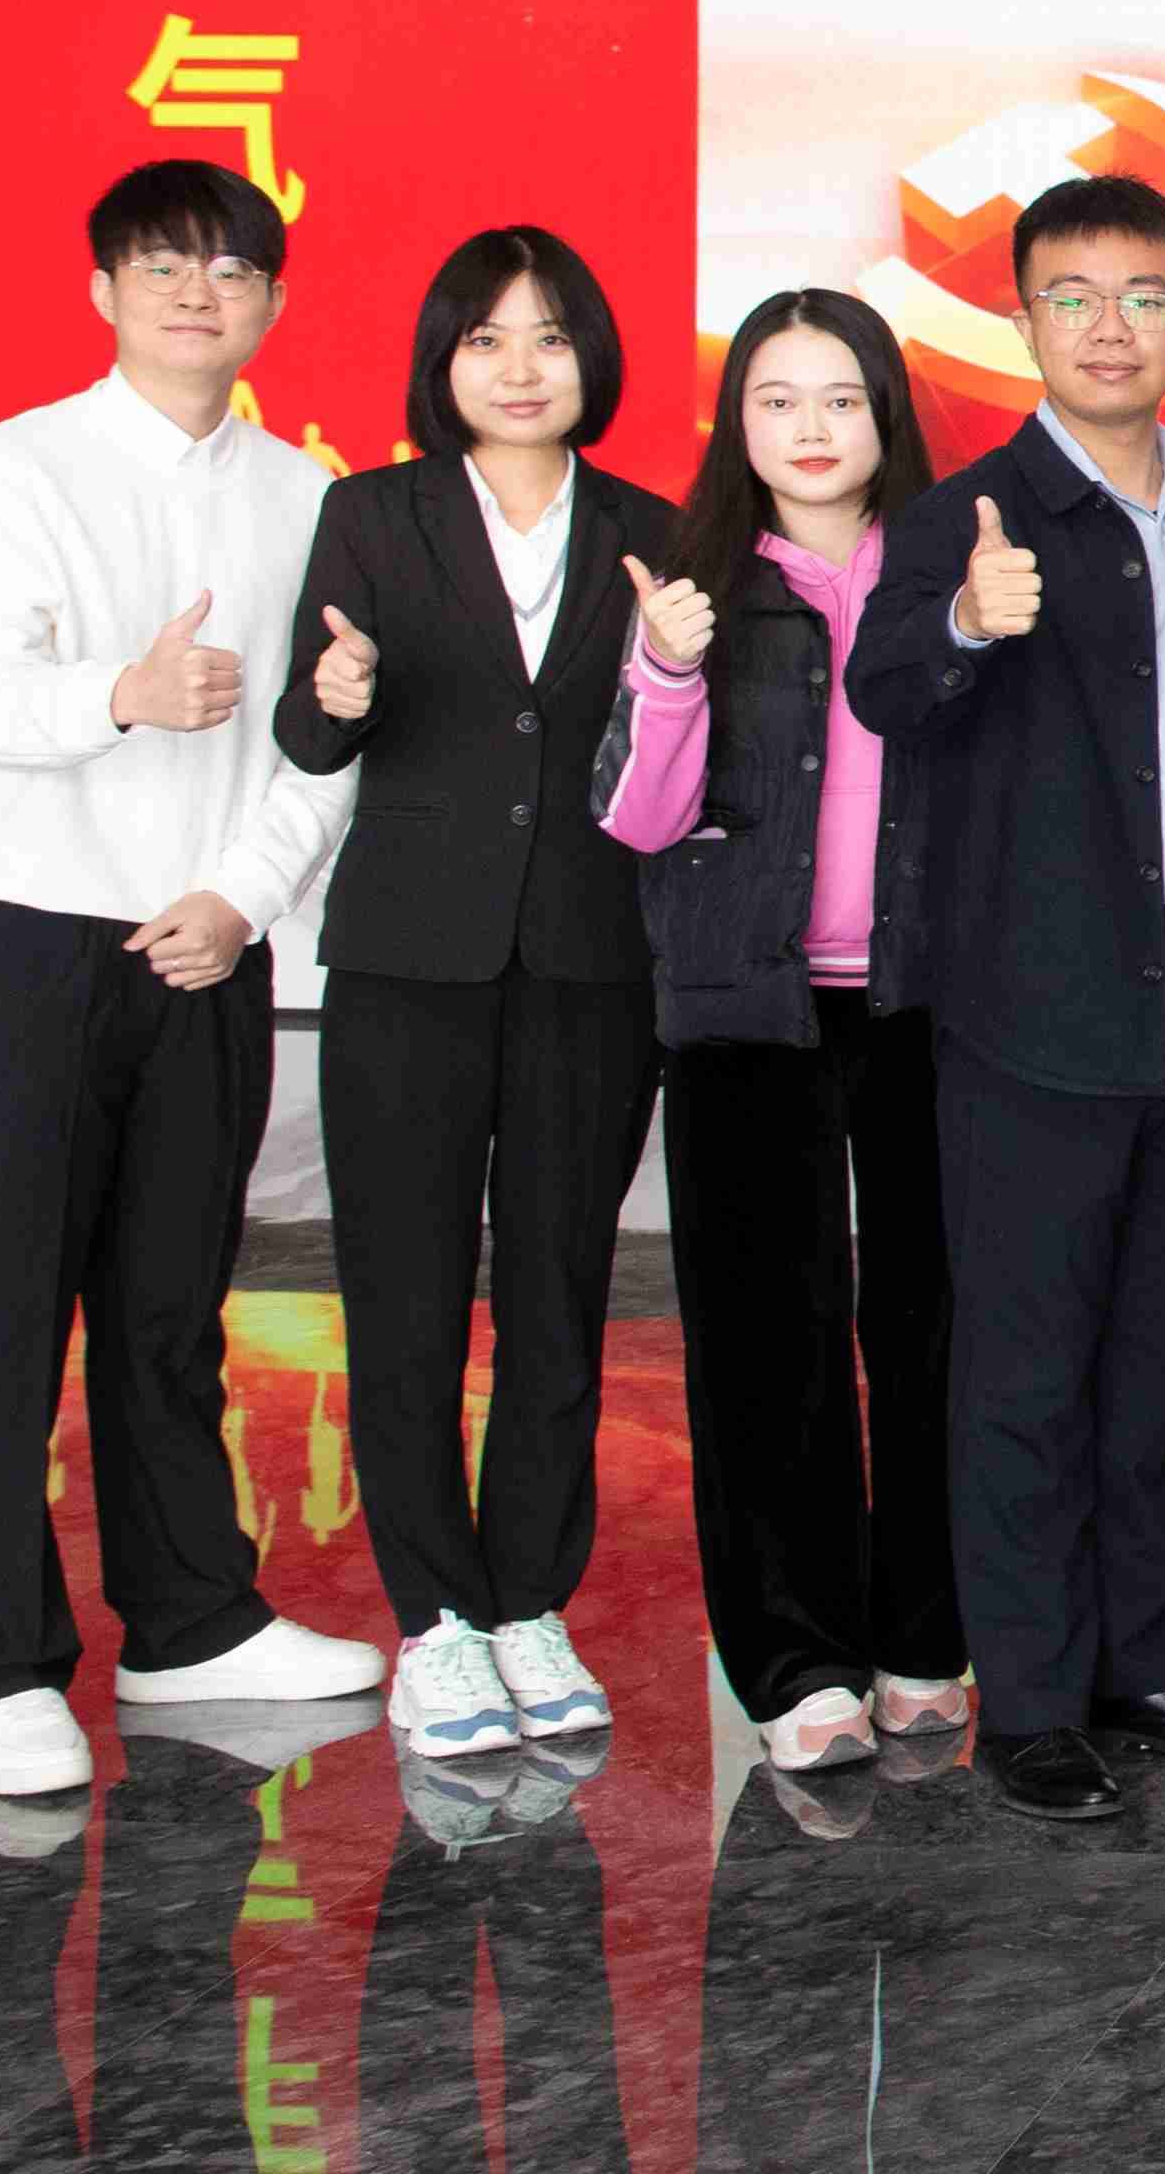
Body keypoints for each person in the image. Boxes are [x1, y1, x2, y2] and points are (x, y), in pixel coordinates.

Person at [0, 161, 381, 1797]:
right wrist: (124, 691)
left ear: (273, 302)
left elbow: (327, 737)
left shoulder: (309, 498)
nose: (198, 292)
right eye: (164, 265)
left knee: (172, 1309)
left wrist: (244, 901)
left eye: (232, 269)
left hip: (206, 945)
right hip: (24, 938)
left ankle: (188, 1624)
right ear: (104, 289)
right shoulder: (13, 467)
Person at [851, 170, 1165, 1821]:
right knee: (1025, 1370)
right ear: (1025, 319)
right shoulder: (964, 517)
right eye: (1074, 297)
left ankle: (1140, 1668)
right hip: (1035, 1008)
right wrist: (967, 622)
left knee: (1155, 1366)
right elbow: (884, 685)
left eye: (1143, 295)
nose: (1112, 328)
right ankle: (1032, 1700)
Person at [271, 225, 677, 1762]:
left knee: (560, 1297)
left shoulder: (653, 530)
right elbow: (313, 737)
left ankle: (528, 1605)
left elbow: (669, 754)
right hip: (406, 966)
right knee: (407, 1299)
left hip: (590, 966)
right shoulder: (371, 516)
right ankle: (437, 1622)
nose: (519, 368)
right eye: (487, 338)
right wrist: (336, 697)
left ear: (592, 362)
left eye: (550, 337)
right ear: (443, 362)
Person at [589, 286, 963, 1775]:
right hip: (748, 1003)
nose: (812, 429)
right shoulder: (691, 585)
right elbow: (636, 817)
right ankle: (798, 1661)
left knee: (938, 1324)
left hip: (929, 997)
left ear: (887, 415)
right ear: (736, 422)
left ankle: (928, 1633)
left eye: (841, 398)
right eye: (777, 400)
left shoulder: (952, 569)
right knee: (765, 1340)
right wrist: (667, 668)